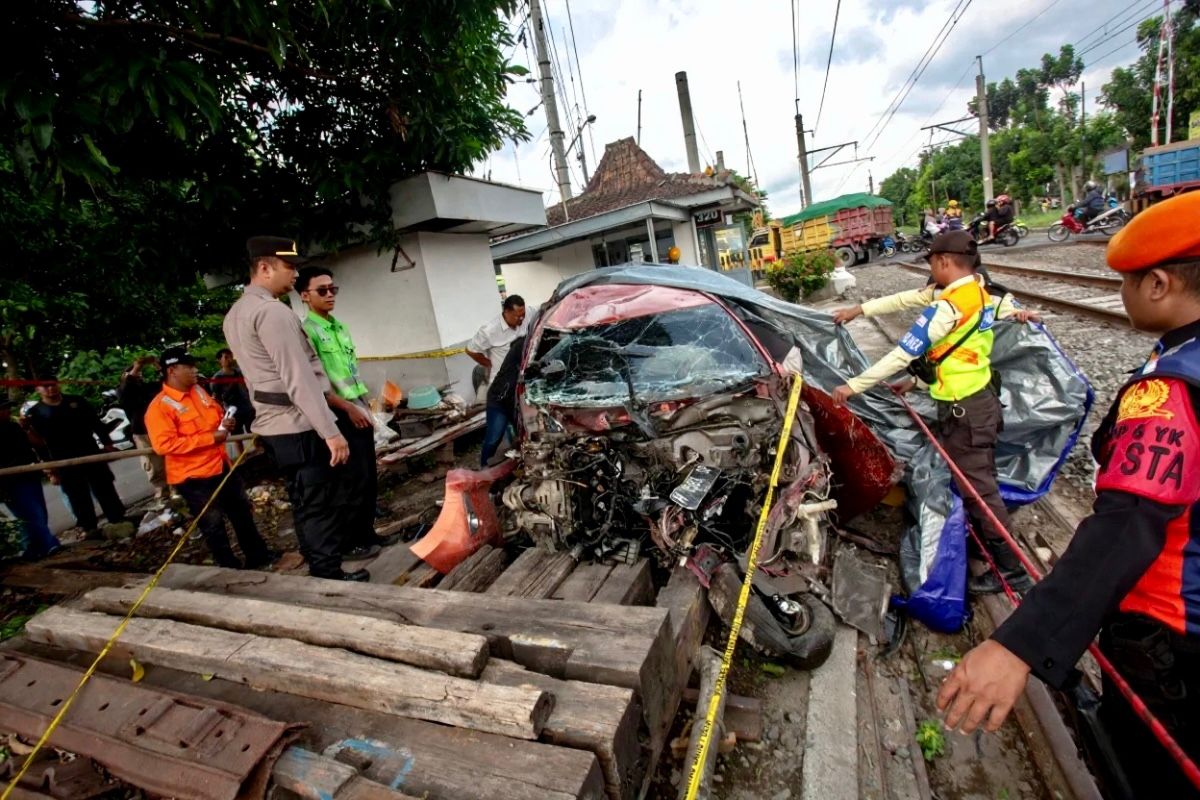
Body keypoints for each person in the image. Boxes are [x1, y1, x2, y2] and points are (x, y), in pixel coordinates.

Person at [935, 193, 1200, 798]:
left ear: (1158, 284)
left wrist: (1020, 644)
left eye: (1127, 282)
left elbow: (1126, 524)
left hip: (1173, 635)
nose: (1125, 294)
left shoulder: (1167, 392)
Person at [830, 231, 1040, 595]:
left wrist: (853, 386)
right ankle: (989, 543)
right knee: (980, 483)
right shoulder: (980, 293)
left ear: (942, 262)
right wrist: (914, 380)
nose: (930, 272)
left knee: (979, 492)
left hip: (966, 413)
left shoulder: (948, 307)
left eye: (931, 263)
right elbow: (948, 342)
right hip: (981, 402)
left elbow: (904, 352)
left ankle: (1011, 570)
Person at [223, 236, 364, 581]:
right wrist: (330, 431)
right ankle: (329, 574)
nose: (295, 274)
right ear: (264, 268)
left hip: (274, 427)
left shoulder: (236, 313)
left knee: (303, 501)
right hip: (297, 424)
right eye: (289, 266)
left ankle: (320, 566)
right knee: (318, 503)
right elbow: (298, 378)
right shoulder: (272, 312)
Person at [297, 265, 398, 558]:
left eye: (333, 289)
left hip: (356, 406)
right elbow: (314, 384)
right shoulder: (307, 332)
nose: (330, 295)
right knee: (348, 481)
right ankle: (350, 542)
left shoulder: (339, 327)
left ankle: (367, 534)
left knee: (367, 476)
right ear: (305, 295)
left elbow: (351, 373)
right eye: (322, 290)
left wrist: (366, 404)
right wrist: (348, 408)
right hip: (337, 412)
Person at [144, 347, 276, 570]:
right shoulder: (159, 408)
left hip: (221, 465)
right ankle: (229, 568)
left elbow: (215, 415)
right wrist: (211, 437)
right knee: (212, 524)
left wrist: (225, 423)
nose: (195, 370)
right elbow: (164, 445)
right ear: (172, 370)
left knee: (241, 513)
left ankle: (259, 557)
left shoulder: (198, 391)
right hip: (194, 478)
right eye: (189, 367)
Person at [26, 380, 127, 537]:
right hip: (62, 458)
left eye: (53, 384)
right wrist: (49, 467)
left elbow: (95, 422)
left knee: (104, 485)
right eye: (45, 386)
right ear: (38, 389)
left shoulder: (76, 401)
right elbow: (39, 444)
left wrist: (107, 443)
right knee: (76, 494)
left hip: (89, 450)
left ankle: (118, 518)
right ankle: (89, 528)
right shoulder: (35, 413)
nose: (50, 388)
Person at [0, 398, 61, 559]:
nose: (7, 412)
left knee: (39, 513)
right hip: (10, 481)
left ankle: (34, 548)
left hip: (29, 475)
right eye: (3, 409)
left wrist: (27, 428)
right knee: (30, 514)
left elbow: (37, 444)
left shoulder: (14, 426)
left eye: (7, 408)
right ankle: (48, 545)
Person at [117, 354, 170, 504]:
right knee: (154, 464)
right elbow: (127, 386)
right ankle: (162, 493)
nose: (137, 375)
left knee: (171, 459)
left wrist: (157, 365)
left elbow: (167, 382)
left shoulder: (148, 388)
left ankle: (177, 490)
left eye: (139, 373)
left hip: (161, 428)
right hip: (143, 432)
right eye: (134, 373)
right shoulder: (123, 391)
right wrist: (136, 367)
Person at [466, 295, 529, 389]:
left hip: (521, 377)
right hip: (502, 382)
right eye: (517, 316)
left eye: (523, 315)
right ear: (506, 312)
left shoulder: (526, 315)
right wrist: (489, 364)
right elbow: (470, 350)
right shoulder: (489, 330)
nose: (521, 318)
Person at [481, 334, 526, 467]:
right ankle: (484, 468)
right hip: (499, 401)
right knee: (493, 439)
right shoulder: (522, 346)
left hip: (517, 403)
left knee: (524, 439)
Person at [210, 348, 255, 456]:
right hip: (232, 410)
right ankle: (242, 456)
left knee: (254, 430)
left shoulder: (240, 372)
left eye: (230, 356)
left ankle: (258, 450)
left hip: (247, 407)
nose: (229, 359)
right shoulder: (217, 378)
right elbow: (218, 398)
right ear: (219, 360)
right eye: (225, 357)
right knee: (236, 435)